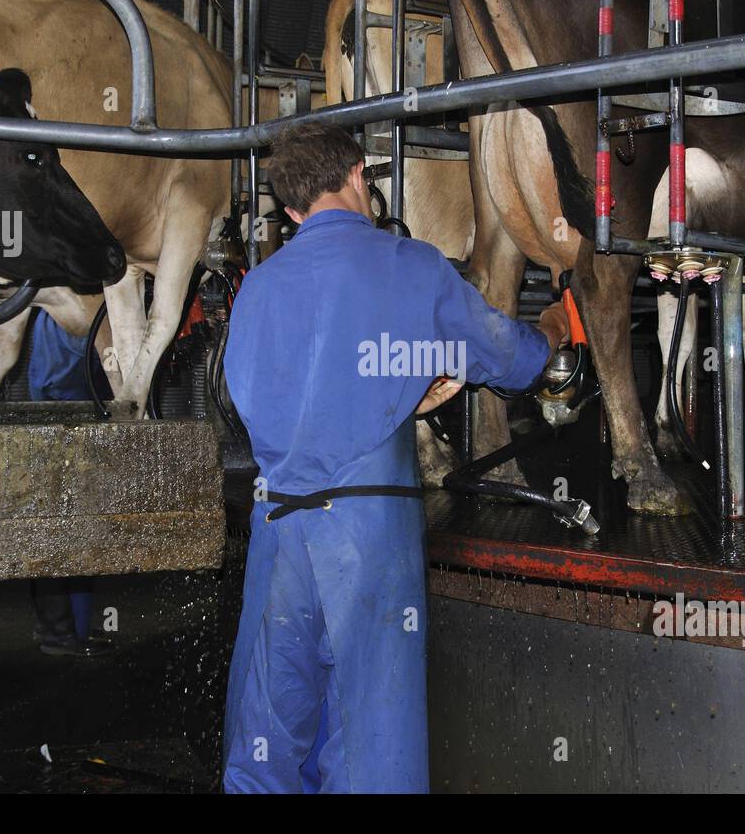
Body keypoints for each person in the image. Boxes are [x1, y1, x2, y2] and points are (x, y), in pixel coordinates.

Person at [221, 122, 569, 793]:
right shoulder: (410, 265)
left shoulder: (258, 289)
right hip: (368, 538)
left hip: (278, 537)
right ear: (358, 175)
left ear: (290, 209)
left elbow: (264, 397)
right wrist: (553, 326)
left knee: (265, 744)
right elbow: (509, 356)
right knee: (372, 746)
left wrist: (384, 394)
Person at [25, 308, 115, 658]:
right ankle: (62, 634)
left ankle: (58, 627)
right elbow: (90, 367)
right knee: (73, 534)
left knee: (53, 529)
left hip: (52, 421)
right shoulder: (80, 316)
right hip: (71, 422)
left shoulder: (48, 310)